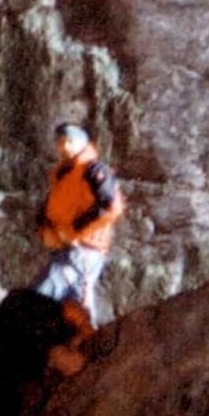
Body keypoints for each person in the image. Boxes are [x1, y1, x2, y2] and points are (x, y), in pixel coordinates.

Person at [31, 122, 124, 319]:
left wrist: (75, 231)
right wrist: (45, 230)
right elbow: (50, 207)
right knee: (67, 306)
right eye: (61, 142)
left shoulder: (93, 170)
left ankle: (91, 344)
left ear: (82, 143)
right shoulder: (62, 174)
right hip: (63, 247)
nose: (64, 147)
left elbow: (111, 207)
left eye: (69, 141)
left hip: (84, 250)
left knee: (51, 296)